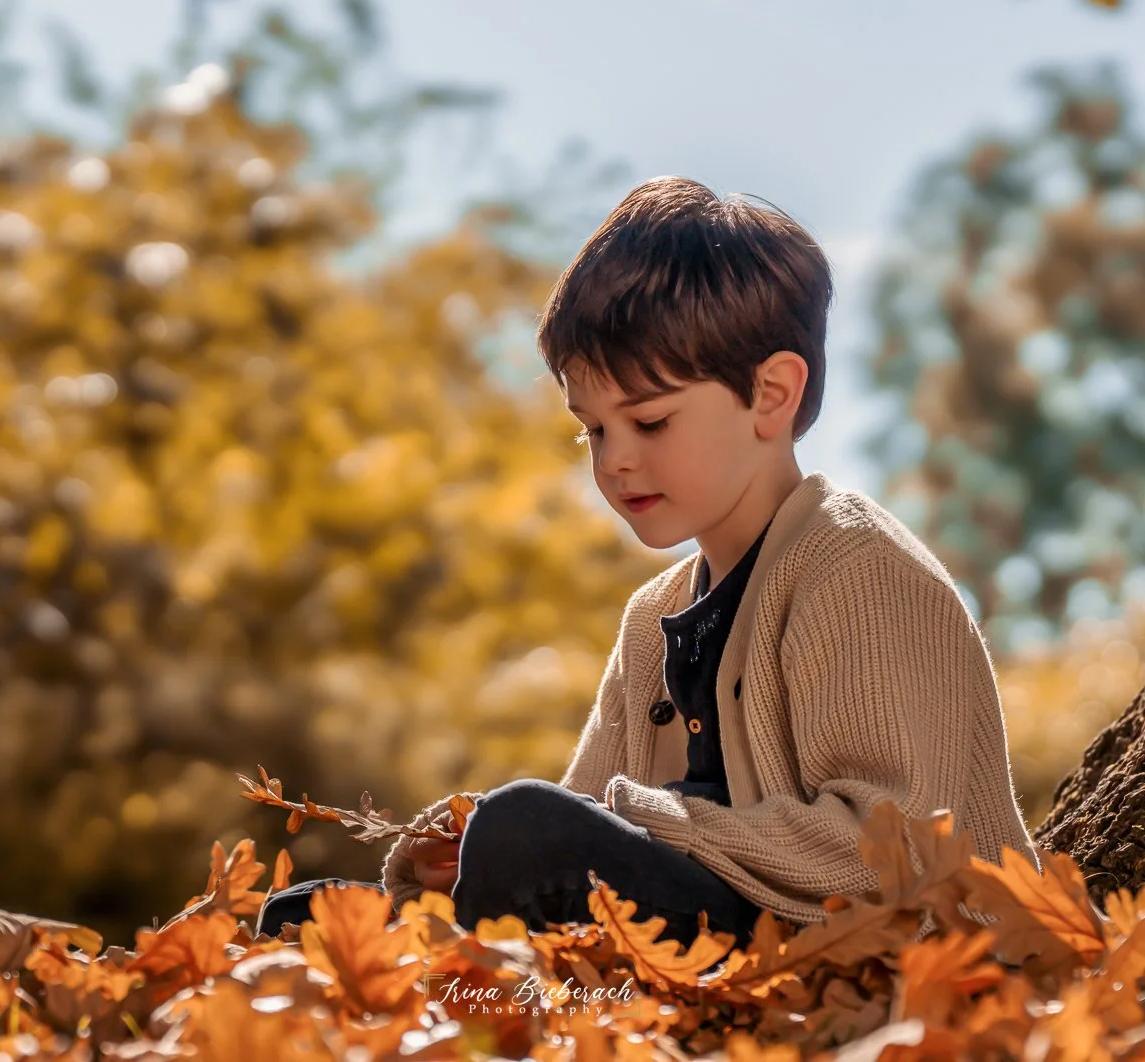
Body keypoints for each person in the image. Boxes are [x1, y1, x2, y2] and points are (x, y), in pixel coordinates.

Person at [256, 177, 1038, 946]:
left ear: (772, 395)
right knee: (306, 912)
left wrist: (616, 824)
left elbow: (890, 852)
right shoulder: (651, 618)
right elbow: (590, 811)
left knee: (526, 832)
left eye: (651, 422)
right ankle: (453, 952)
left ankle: (473, 964)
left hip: (863, 954)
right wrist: (458, 853)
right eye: (592, 431)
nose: (615, 462)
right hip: (696, 934)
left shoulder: (856, 570)